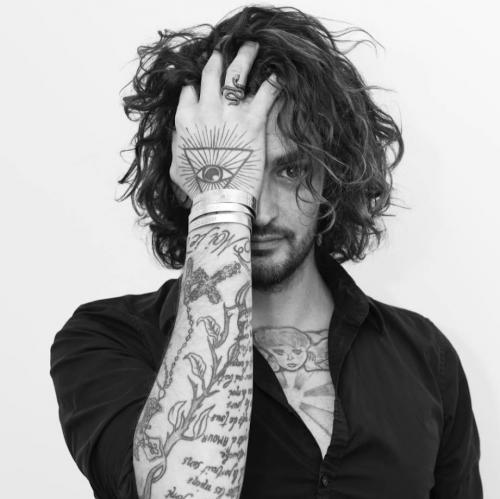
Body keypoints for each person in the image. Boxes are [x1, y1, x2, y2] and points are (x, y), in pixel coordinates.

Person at [49, 6, 482, 499]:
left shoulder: (425, 357)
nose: (260, 210)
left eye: (290, 170)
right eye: (235, 171)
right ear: (183, 175)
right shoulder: (105, 340)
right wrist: (221, 196)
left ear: (331, 176)